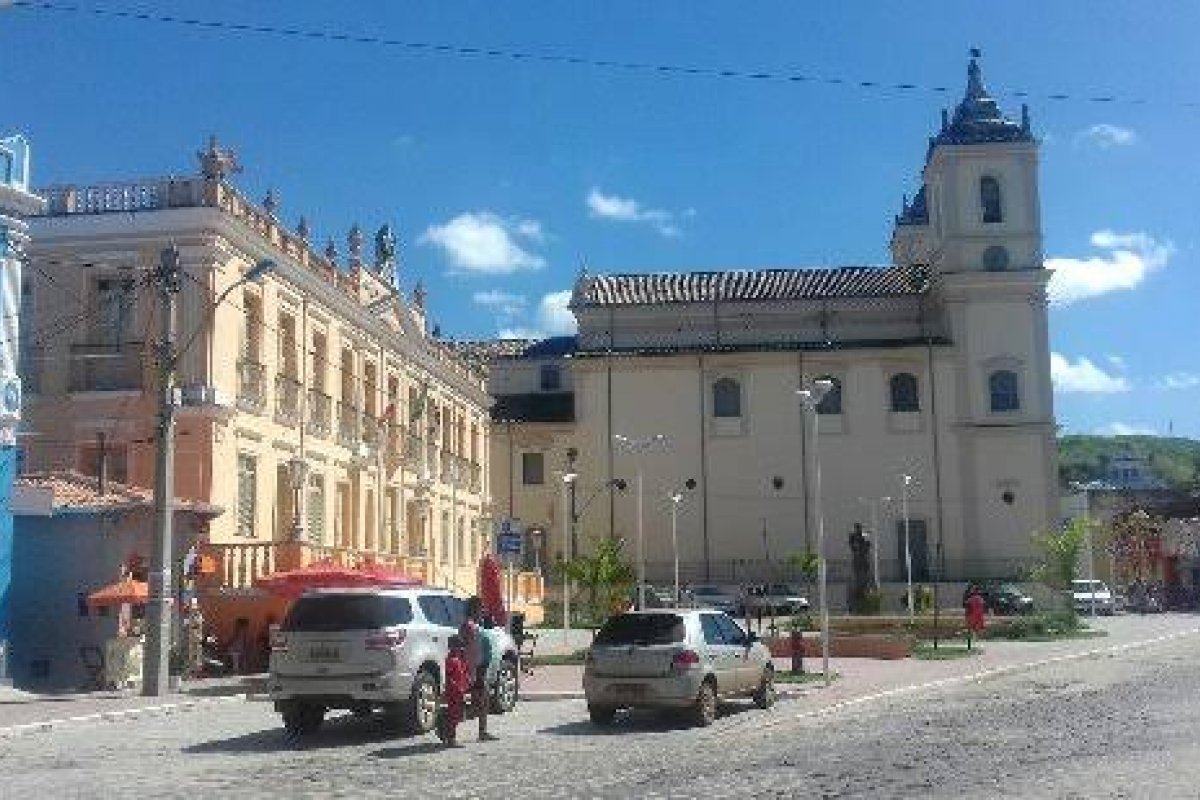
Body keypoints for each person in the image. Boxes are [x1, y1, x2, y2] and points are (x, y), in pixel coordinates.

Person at [458, 596, 497, 741]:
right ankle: (447, 722)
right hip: (474, 668)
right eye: (481, 608)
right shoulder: (468, 625)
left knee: (483, 700)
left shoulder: (475, 624)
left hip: (480, 666)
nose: (483, 611)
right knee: (479, 702)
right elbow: (465, 648)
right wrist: (469, 669)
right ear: (474, 609)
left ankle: (482, 731)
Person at [437, 635, 471, 747]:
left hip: (459, 690)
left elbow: (464, 673)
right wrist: (458, 689)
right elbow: (449, 677)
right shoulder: (451, 660)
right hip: (454, 692)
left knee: (457, 715)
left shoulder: (459, 659)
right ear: (452, 647)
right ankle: (450, 738)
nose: (460, 649)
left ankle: (446, 732)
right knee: (454, 715)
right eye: (458, 646)